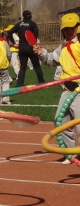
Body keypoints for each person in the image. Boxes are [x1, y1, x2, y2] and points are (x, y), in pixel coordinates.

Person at [36, 13, 80, 165]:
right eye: (65, 29)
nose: (68, 31)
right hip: (67, 90)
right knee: (60, 122)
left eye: (71, 28)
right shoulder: (63, 47)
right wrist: (41, 53)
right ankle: (71, 153)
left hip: (79, 91)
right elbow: (50, 61)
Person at [14, 10, 45, 86]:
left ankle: (19, 84)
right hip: (31, 48)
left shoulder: (19, 24)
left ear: (23, 16)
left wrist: (13, 42)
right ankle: (42, 82)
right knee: (37, 66)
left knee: (23, 67)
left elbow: (10, 32)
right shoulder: (33, 24)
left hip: (22, 48)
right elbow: (35, 36)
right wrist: (34, 44)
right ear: (30, 16)